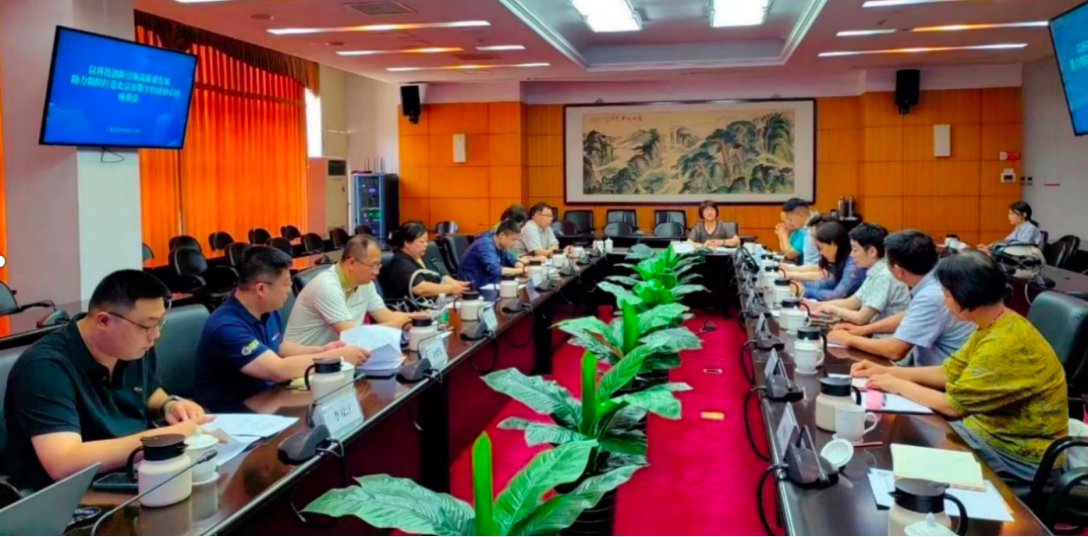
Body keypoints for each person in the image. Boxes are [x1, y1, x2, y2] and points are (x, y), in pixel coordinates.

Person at [852, 251, 1068, 484]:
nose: (944, 300)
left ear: (967, 294)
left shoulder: (1005, 343)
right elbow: (948, 371)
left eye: (947, 293)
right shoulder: (996, 323)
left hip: (1017, 454)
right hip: (984, 430)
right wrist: (886, 371)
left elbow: (952, 406)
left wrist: (896, 384)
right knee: (906, 442)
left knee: (907, 465)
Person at [1, 271, 211, 491]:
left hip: (135, 471)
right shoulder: (44, 367)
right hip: (72, 494)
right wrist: (166, 437)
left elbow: (147, 391)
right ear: (104, 321)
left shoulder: (133, 347)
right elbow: (63, 462)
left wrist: (168, 404)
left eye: (160, 323)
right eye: (147, 325)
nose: (155, 334)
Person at [196, 247, 369, 412]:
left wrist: (321, 350)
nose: (289, 290)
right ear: (261, 289)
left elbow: (279, 347)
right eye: (286, 284)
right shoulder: (226, 326)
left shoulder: (267, 309)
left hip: (270, 397)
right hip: (234, 411)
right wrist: (336, 357)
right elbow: (278, 370)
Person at [829, 230, 975, 366]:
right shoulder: (934, 278)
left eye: (887, 262)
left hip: (944, 378)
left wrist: (848, 339)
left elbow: (894, 350)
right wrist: (863, 330)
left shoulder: (931, 295)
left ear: (898, 271)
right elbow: (911, 314)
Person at [285, 235, 421, 348]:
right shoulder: (326, 286)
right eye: (373, 265)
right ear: (351, 263)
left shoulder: (364, 283)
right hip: (305, 363)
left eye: (378, 265)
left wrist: (417, 318)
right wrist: (400, 323)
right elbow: (353, 336)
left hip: (337, 357)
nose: (377, 272)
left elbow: (386, 316)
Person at [807, 223, 911, 328]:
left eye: (855, 250)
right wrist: (817, 306)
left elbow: (860, 318)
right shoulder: (875, 271)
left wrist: (833, 309)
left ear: (872, 252)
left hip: (884, 336)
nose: (851, 254)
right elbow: (851, 303)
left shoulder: (884, 275)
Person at [385, 221, 470, 302]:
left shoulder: (422, 255)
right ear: (407, 242)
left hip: (437, 301)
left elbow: (441, 275)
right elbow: (421, 289)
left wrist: (456, 284)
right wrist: (451, 289)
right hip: (415, 307)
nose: (426, 244)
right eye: (422, 241)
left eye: (426, 241)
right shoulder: (400, 263)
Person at [790, 221, 866, 301]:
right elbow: (827, 283)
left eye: (821, 248)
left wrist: (804, 291)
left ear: (833, 245)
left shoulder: (853, 265)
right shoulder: (841, 261)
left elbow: (837, 295)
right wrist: (799, 285)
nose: (821, 253)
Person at [460, 219, 528, 290]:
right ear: (502, 235)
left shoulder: (501, 244)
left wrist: (520, 266)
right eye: (513, 240)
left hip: (491, 282)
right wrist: (521, 270)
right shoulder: (485, 244)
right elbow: (496, 270)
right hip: (475, 286)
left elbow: (512, 259)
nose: (514, 243)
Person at [980, 201, 1045, 251]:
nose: (1009, 216)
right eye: (1009, 214)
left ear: (1024, 215)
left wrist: (991, 250)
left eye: (1012, 214)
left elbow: (1020, 246)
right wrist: (988, 247)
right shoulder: (1018, 228)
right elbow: (1006, 241)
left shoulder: (1030, 228)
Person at [775, 198, 818, 264]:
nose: (791, 223)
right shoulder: (804, 229)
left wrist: (783, 235)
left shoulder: (810, 231)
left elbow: (790, 255)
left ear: (801, 215)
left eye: (791, 219)